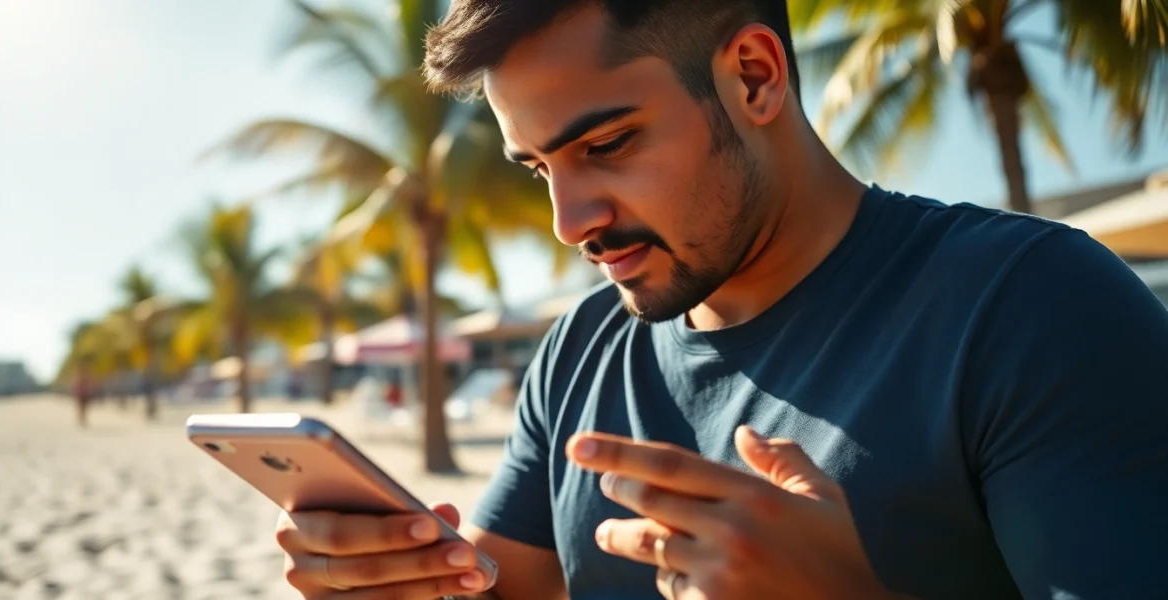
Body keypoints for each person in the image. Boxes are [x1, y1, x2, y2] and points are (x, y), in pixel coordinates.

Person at [273, 1, 1168, 599]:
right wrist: (394, 577)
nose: (568, 220)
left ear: (753, 75)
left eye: (609, 144)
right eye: (540, 167)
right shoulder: (579, 349)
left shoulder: (1034, 307)